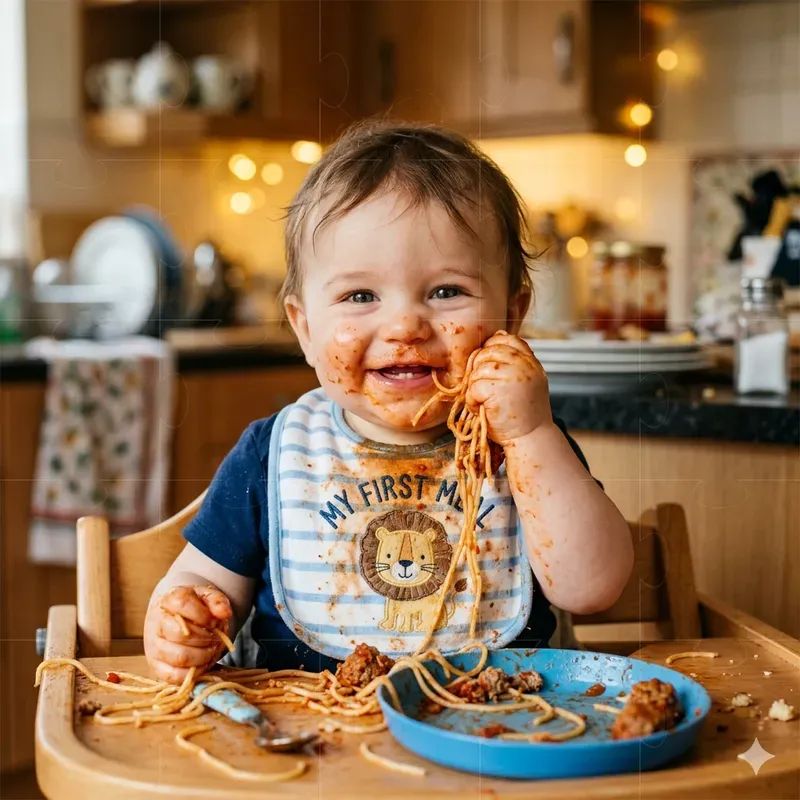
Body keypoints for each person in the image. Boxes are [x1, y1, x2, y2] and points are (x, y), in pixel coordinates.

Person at [144, 120, 634, 684]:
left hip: (501, 731)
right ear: (304, 329)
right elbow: (200, 589)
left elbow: (592, 590)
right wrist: (183, 624)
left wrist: (530, 436)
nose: (405, 324)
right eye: (360, 296)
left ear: (512, 316)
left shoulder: (524, 442)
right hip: (314, 741)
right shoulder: (273, 454)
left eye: (447, 292)